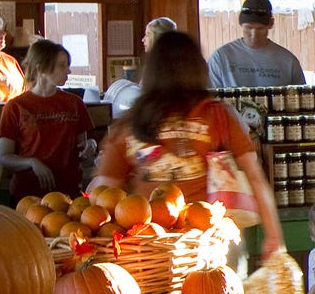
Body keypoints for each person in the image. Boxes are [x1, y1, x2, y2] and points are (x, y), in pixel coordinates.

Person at [90, 31, 284, 262]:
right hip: (208, 245)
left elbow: (104, 191)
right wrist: (273, 235)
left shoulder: (130, 123)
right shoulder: (217, 115)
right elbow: (255, 177)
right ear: (198, 68)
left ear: (151, 71)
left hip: (147, 250)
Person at [0, 39, 95, 202]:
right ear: (41, 68)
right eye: (62, 65)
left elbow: (84, 145)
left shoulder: (74, 103)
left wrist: (91, 145)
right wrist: (32, 163)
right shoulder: (16, 106)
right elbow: (4, 157)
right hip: (28, 194)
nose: (68, 70)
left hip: (68, 193)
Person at [207, 0, 305, 89]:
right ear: (240, 24)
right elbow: (209, 100)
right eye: (248, 28)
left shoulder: (288, 61)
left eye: (260, 29)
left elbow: (302, 98)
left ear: (271, 24)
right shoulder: (221, 58)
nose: (254, 35)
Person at [103, 16, 178, 117]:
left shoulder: (159, 67)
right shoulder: (159, 64)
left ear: (158, 38)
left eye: (147, 35)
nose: (143, 40)